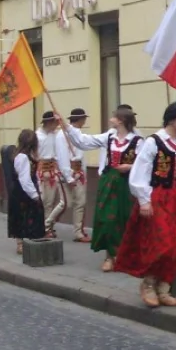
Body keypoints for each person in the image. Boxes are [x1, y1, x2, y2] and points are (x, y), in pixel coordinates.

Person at [115, 102, 176, 308]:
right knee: (160, 243)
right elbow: (141, 171)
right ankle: (148, 284)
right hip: (157, 197)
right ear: (172, 119)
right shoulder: (153, 142)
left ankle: (164, 288)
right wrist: (144, 199)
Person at [63, 107, 142, 272]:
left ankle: (123, 255)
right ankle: (109, 255)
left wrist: (130, 166)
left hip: (128, 183)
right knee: (107, 218)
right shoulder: (109, 137)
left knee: (125, 218)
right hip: (109, 181)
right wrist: (67, 127)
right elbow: (84, 141)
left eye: (114, 117)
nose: (111, 118)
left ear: (121, 120)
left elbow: (146, 163)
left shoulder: (138, 140)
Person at [6, 130, 46, 254]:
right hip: (21, 192)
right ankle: (20, 243)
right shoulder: (22, 157)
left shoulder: (29, 156)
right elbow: (25, 179)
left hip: (25, 190)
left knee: (30, 215)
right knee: (21, 216)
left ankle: (31, 239)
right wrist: (34, 195)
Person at [36, 111, 73, 239]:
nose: (56, 126)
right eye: (54, 123)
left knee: (50, 202)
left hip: (53, 171)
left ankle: (48, 227)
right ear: (48, 123)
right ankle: (42, 226)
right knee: (43, 201)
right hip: (41, 172)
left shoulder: (55, 135)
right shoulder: (37, 136)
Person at [66, 108, 91, 243]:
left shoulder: (76, 133)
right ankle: (47, 225)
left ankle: (78, 231)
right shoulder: (68, 134)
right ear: (80, 119)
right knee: (69, 203)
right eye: (84, 119)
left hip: (79, 170)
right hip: (73, 171)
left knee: (79, 203)